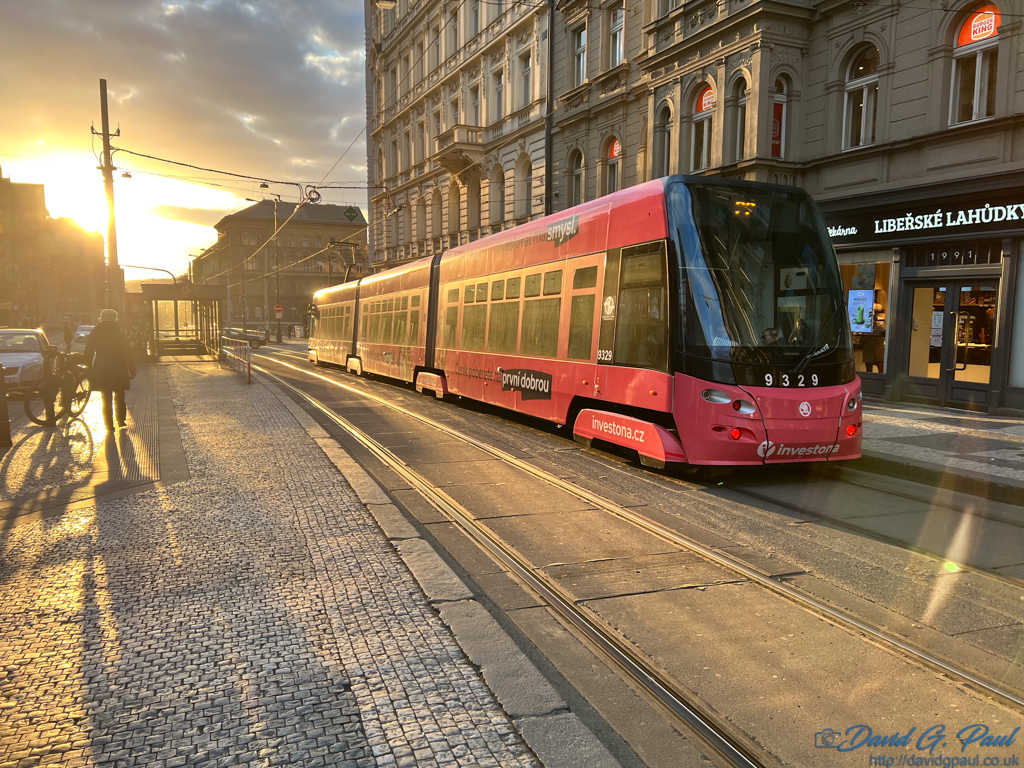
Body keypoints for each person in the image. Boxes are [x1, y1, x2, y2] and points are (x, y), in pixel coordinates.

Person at [84, 309, 137, 431]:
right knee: (119, 394)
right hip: (118, 366)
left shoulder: (95, 332)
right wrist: (132, 368)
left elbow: (88, 351)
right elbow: (127, 352)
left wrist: (88, 367)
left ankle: (108, 424)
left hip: (101, 366)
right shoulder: (119, 333)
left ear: (101, 318)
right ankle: (121, 420)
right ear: (115, 319)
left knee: (105, 396)